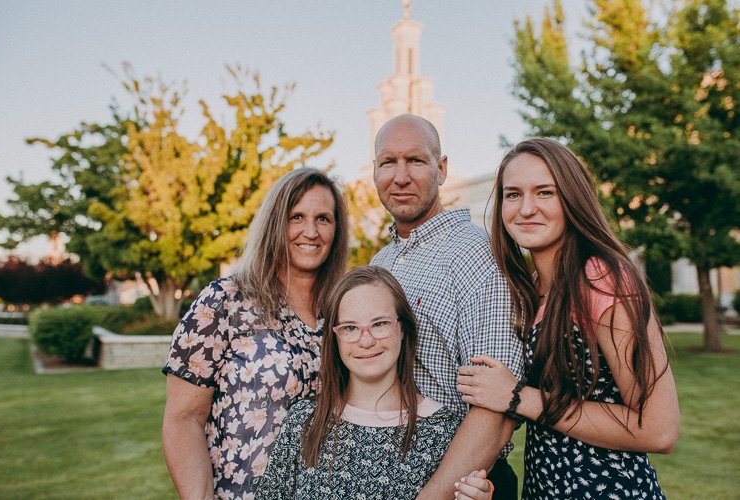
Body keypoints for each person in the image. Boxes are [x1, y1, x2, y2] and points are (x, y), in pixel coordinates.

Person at [456, 138, 680, 499]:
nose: (526, 208)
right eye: (513, 195)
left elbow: (659, 428)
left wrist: (518, 397)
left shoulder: (600, 276)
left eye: (545, 192)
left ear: (572, 198)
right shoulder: (529, 288)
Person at [161, 168, 349, 500]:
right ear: (275, 222)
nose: (311, 231)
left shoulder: (343, 311)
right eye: (296, 217)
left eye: (323, 219)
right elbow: (184, 419)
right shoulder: (225, 301)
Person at [369, 114, 523, 499]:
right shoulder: (379, 263)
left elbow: (496, 408)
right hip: (384, 474)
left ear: (441, 169)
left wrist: (432, 496)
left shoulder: (477, 254)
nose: (400, 177)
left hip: (465, 483)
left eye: (416, 161)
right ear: (375, 170)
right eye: (388, 162)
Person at [256, 266, 493, 500]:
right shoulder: (305, 421)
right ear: (335, 337)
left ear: (402, 329)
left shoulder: (444, 430)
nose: (366, 341)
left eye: (379, 324)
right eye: (350, 328)